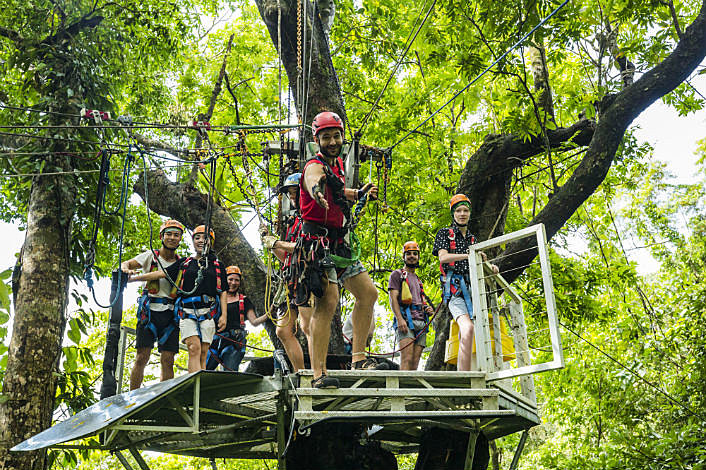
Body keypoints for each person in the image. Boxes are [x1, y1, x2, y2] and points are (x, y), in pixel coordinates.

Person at [297, 111, 387, 389]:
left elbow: (337, 190)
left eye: (336, 136)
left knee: (368, 294)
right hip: (318, 244)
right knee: (328, 303)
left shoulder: (335, 166)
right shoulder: (314, 165)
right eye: (326, 137)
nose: (333, 141)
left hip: (339, 243)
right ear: (317, 141)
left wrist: (358, 194)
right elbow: (313, 179)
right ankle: (318, 374)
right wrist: (316, 191)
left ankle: (358, 358)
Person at [130, 225, 228, 373]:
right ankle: (194, 381)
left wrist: (224, 315)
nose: (201, 241)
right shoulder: (185, 263)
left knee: (203, 352)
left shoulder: (217, 266)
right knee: (194, 347)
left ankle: (199, 384)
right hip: (187, 312)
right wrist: (133, 279)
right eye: (197, 238)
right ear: (193, 241)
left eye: (205, 238)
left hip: (208, 312)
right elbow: (161, 274)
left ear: (211, 242)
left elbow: (223, 291)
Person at [433, 195, 497, 371]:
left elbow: (478, 263)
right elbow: (443, 257)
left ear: (470, 213)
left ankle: (466, 371)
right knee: (467, 328)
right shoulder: (445, 234)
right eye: (458, 211)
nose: (462, 214)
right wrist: (469, 256)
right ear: (453, 214)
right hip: (454, 291)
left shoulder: (472, 240)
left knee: (472, 330)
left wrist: (489, 265)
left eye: (465, 211)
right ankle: (464, 375)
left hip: (472, 290)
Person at [121, 219, 184, 390]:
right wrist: (126, 269)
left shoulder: (182, 264)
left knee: (168, 359)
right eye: (168, 234)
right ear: (161, 236)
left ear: (180, 239)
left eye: (176, 235)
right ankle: (133, 396)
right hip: (149, 312)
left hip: (170, 314)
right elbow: (127, 263)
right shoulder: (151, 256)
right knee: (142, 357)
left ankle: (164, 396)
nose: (172, 238)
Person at [261, 172, 313, 372]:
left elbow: (305, 248)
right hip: (292, 280)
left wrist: (277, 243)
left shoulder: (310, 217)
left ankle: (316, 373)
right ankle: (301, 372)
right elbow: (288, 257)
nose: (292, 197)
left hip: (307, 278)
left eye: (295, 192)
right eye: (290, 194)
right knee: (282, 331)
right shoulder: (294, 222)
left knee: (308, 327)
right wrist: (271, 243)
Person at [206, 266, 267, 371]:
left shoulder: (244, 301)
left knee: (230, 373)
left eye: (236, 280)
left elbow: (254, 322)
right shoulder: (215, 299)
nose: (233, 283)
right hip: (214, 341)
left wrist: (269, 314)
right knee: (204, 370)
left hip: (234, 341)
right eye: (230, 279)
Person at [388, 241, 434, 371]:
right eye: (408, 254)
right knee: (406, 359)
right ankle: (401, 385)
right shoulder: (397, 275)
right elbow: (393, 298)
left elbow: (420, 300)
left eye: (415, 254)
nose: (412, 256)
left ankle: (410, 385)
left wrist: (427, 309)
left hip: (421, 322)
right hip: (406, 321)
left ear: (418, 257)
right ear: (404, 256)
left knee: (415, 364)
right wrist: (400, 319)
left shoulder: (418, 280)